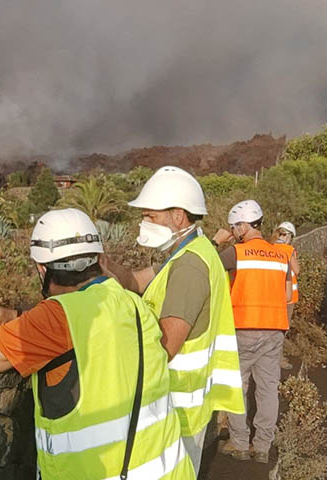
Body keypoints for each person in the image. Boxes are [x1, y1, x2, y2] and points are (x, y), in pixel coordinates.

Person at [0, 208, 195, 479]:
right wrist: (17, 317)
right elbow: (86, 327)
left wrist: (16, 324)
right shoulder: (130, 301)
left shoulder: (57, 317)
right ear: (100, 259)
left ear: (41, 268)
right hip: (169, 469)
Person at [101, 166, 244, 475]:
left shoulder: (190, 267)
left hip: (177, 406)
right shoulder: (186, 252)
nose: (144, 222)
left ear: (178, 216)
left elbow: (166, 344)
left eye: (150, 216)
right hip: (180, 402)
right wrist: (103, 264)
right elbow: (137, 282)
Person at [211, 200, 291, 463]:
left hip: (243, 329)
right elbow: (288, 294)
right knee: (268, 389)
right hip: (274, 330)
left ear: (244, 226)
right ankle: (263, 448)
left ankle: (240, 442)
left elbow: (205, 268)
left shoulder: (237, 252)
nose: (233, 231)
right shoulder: (281, 254)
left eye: (235, 227)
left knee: (238, 387)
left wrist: (215, 241)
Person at [271, 221, 300, 323]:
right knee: (284, 324)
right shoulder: (289, 250)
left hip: (273, 293)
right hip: (288, 295)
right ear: (289, 236)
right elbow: (296, 270)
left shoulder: (270, 248)